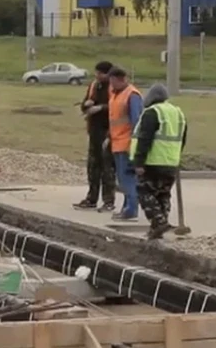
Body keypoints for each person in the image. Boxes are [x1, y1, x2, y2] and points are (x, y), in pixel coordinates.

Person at [130, 84, 187, 240]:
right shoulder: (178, 113)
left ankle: (158, 222)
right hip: (171, 162)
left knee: (144, 191)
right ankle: (159, 226)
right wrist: (176, 157)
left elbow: (144, 139)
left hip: (153, 161)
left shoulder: (152, 113)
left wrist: (139, 162)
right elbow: (182, 139)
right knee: (163, 194)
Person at [74, 61, 116, 212]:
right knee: (93, 167)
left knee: (107, 168)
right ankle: (91, 198)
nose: (97, 76)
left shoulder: (113, 87)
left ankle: (108, 201)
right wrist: (87, 104)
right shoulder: (94, 85)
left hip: (107, 131)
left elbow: (117, 106)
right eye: (96, 73)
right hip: (94, 131)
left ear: (108, 74)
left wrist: (100, 108)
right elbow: (84, 103)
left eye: (100, 73)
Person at [106, 67, 143, 221]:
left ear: (120, 79)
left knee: (127, 178)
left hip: (127, 143)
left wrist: (135, 145)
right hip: (117, 142)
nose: (111, 84)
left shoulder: (132, 95)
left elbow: (136, 121)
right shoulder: (116, 94)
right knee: (123, 179)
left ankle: (131, 209)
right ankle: (127, 207)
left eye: (113, 81)